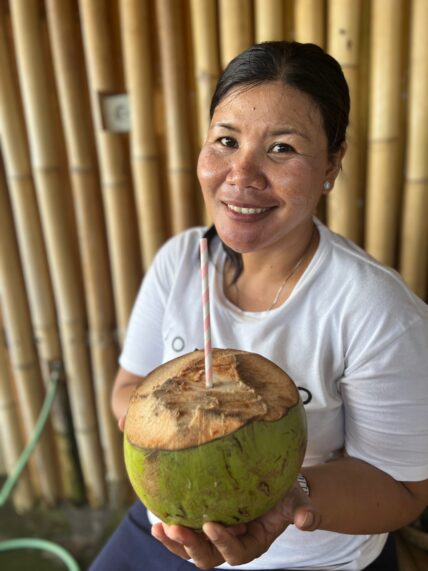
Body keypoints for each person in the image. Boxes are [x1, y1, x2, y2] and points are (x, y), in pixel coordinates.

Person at [89, 41, 428, 571]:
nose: (241, 175)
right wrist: (186, 456)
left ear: (332, 163)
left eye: (282, 149)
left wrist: (287, 497)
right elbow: (125, 393)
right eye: (226, 140)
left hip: (311, 554)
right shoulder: (181, 261)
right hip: (171, 521)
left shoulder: (376, 311)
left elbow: (405, 488)